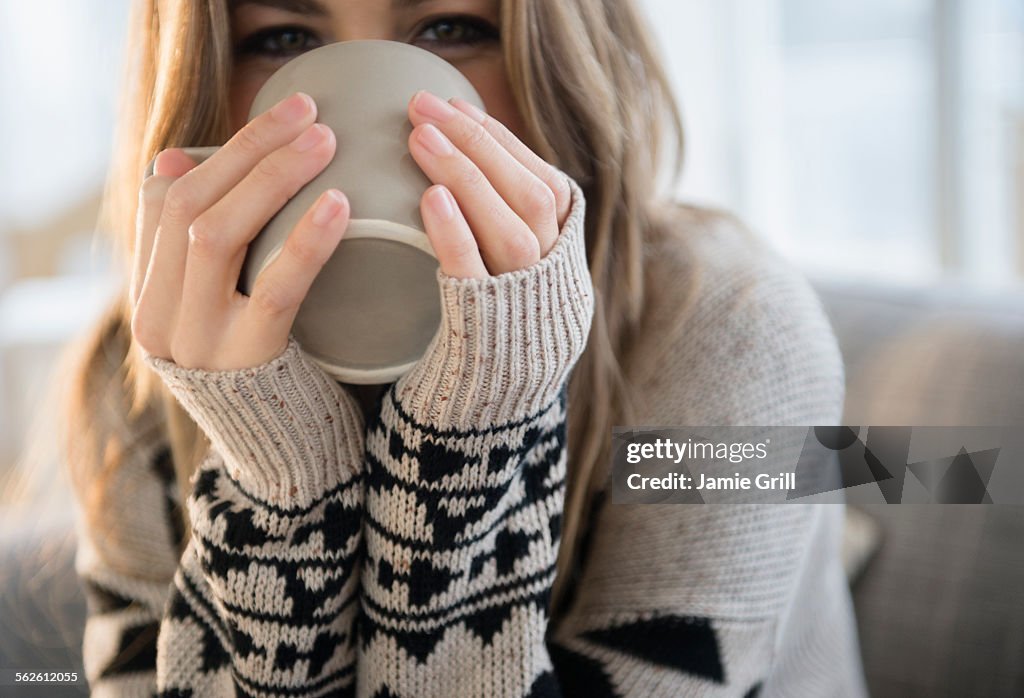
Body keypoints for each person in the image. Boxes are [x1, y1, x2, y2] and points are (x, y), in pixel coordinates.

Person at [61, 0, 867, 695]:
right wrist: (277, 467)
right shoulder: (137, 371)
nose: (373, 101)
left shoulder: (730, 333)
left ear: (559, 63)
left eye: (450, 26)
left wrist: (472, 434)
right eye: (282, 39)